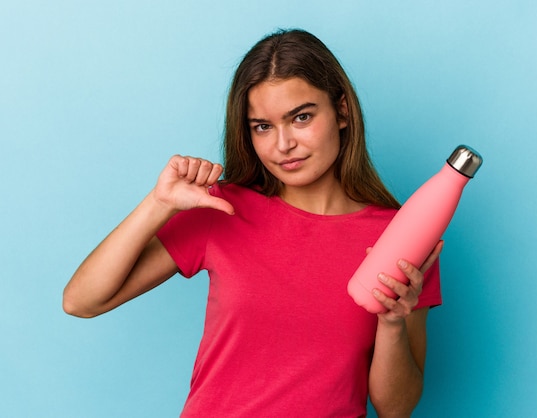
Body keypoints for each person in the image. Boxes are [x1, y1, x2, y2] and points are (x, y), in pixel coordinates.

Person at [63, 28, 443, 418]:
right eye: (263, 126)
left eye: (302, 117)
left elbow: (395, 408)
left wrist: (393, 324)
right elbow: (82, 301)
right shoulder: (221, 210)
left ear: (342, 111)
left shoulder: (399, 236)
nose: (283, 145)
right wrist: (157, 204)